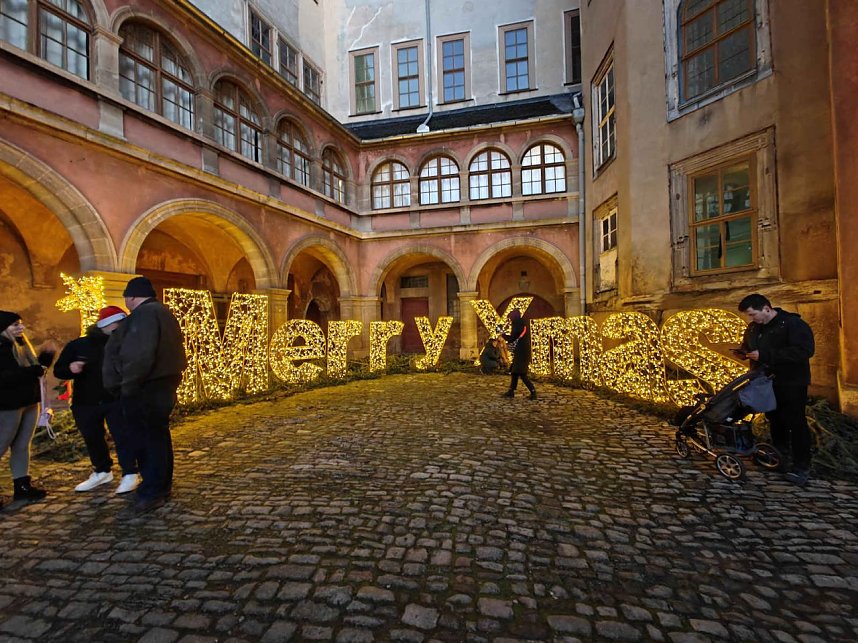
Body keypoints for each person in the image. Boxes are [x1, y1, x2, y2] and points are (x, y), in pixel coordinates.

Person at [105, 277, 187, 515]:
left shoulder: (144, 315)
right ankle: (161, 486)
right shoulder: (163, 312)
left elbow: (139, 355)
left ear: (131, 297)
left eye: (126, 298)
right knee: (158, 437)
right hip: (162, 384)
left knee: (147, 440)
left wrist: (127, 385)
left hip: (146, 387)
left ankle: (152, 490)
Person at [53, 306, 140, 495]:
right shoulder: (79, 345)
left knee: (123, 436)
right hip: (85, 402)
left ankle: (130, 473)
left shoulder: (125, 344)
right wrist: (71, 368)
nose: (121, 328)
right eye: (118, 324)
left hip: (115, 399)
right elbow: (59, 370)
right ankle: (102, 471)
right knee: (92, 438)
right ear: (107, 325)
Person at [738, 293, 815, 486]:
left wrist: (765, 354)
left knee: (795, 422)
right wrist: (744, 352)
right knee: (775, 419)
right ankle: (780, 457)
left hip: (791, 382)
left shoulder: (792, 324)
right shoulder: (754, 327)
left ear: (766, 308)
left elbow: (804, 351)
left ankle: (801, 466)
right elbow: (748, 346)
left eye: (753, 314)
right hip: (766, 382)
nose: (751, 318)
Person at [0, 311, 55, 507]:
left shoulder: (22, 345)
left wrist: (45, 360)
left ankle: (22, 486)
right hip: (8, 405)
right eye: (15, 325)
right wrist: (33, 371)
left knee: (22, 445)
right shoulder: (2, 348)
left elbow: (34, 369)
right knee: (1, 445)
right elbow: (6, 377)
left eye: (21, 323)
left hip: (30, 401)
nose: (21, 327)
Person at [500, 309, 537, 400]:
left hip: (521, 352)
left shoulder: (517, 324)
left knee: (521, 373)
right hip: (523, 351)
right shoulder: (524, 323)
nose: (510, 320)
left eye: (510, 318)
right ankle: (511, 391)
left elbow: (513, 338)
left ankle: (533, 392)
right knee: (514, 372)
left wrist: (503, 334)